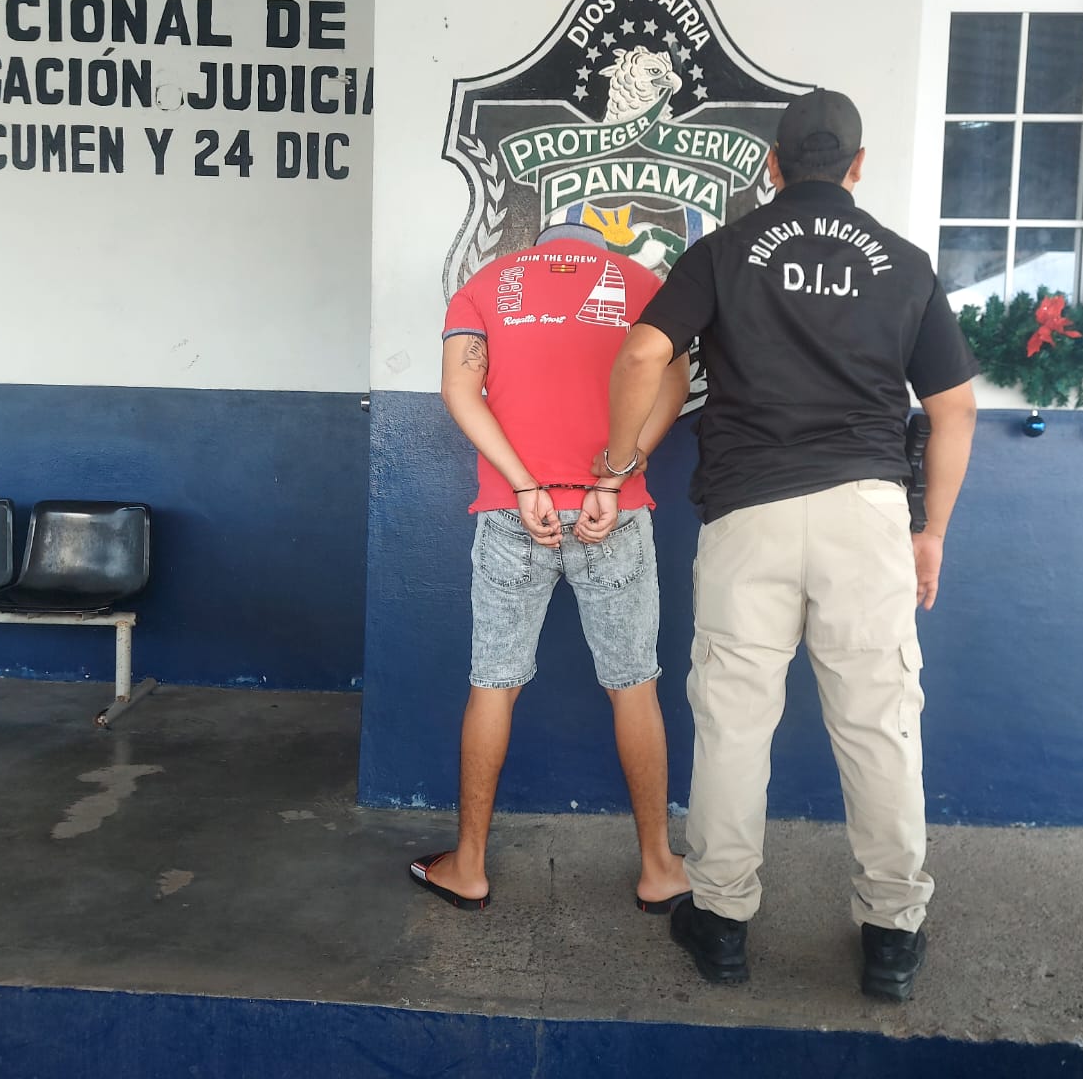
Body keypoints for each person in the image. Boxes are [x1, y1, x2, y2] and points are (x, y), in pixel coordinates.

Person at [594, 90, 978, 1001]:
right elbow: (954, 408)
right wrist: (930, 531)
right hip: (866, 515)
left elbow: (643, 354)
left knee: (734, 722)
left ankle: (722, 922)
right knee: (880, 726)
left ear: (772, 165)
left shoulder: (724, 252)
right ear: (857, 165)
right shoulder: (904, 263)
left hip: (748, 514)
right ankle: (892, 936)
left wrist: (616, 459)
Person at [409, 222, 693, 915]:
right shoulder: (644, 285)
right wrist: (613, 478)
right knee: (635, 688)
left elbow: (459, 391)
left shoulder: (484, 287)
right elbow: (673, 383)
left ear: (537, 249)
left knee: (493, 684)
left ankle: (468, 867)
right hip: (613, 511)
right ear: (597, 249)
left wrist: (522, 483)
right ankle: (659, 868)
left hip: (515, 512)